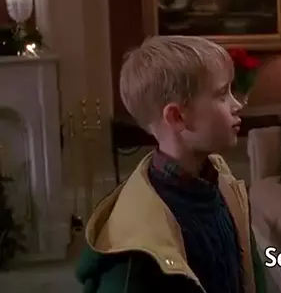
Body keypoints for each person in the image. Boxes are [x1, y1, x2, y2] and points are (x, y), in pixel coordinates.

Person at [76, 35, 266, 293]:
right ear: (177, 116)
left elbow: (250, 275)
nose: (237, 104)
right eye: (222, 95)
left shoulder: (223, 185)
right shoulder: (137, 246)